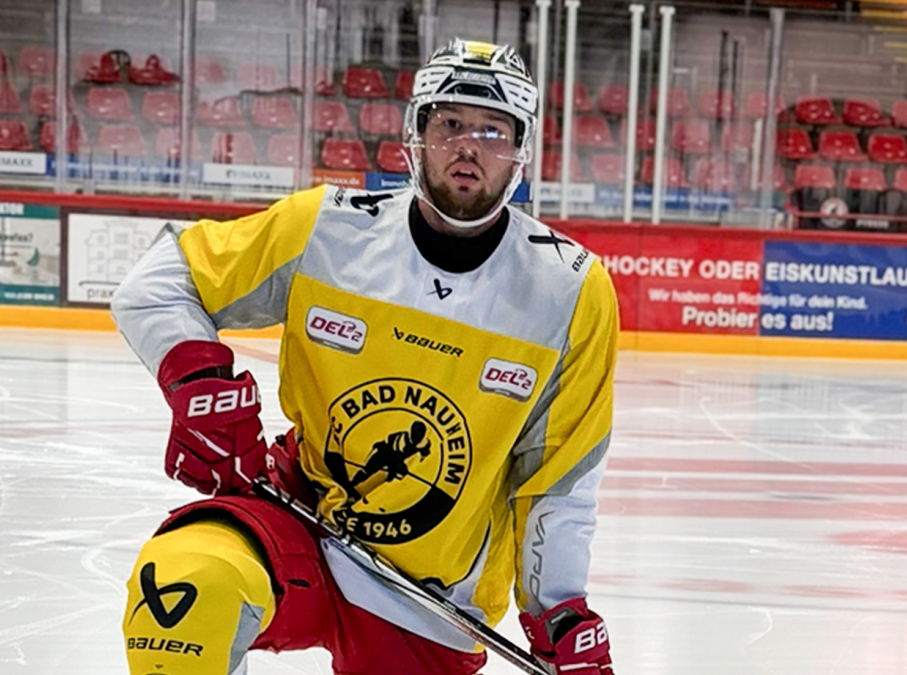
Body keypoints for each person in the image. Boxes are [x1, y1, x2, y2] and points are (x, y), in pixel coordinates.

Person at [112, 38, 618, 675]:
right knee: (184, 588)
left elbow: (561, 479)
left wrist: (559, 610)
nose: (469, 147)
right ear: (415, 136)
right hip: (298, 519)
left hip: (430, 599)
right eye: (451, 124)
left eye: (493, 131)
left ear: (520, 151)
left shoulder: (569, 291)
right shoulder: (325, 229)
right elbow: (155, 284)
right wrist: (199, 385)